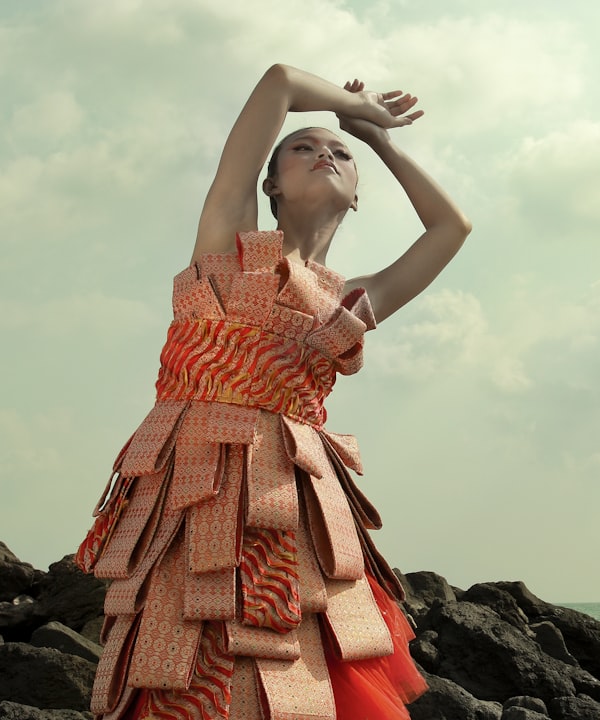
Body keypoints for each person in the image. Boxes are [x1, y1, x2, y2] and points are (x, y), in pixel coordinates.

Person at [75, 63, 471, 720]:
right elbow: (280, 81)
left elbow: (449, 230)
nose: (323, 153)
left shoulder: (350, 299)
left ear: (355, 194)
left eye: (338, 152)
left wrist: (379, 140)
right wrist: (357, 103)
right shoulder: (227, 243)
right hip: (193, 489)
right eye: (303, 147)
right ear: (271, 184)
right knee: (184, 657)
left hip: (293, 501)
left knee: (300, 657)